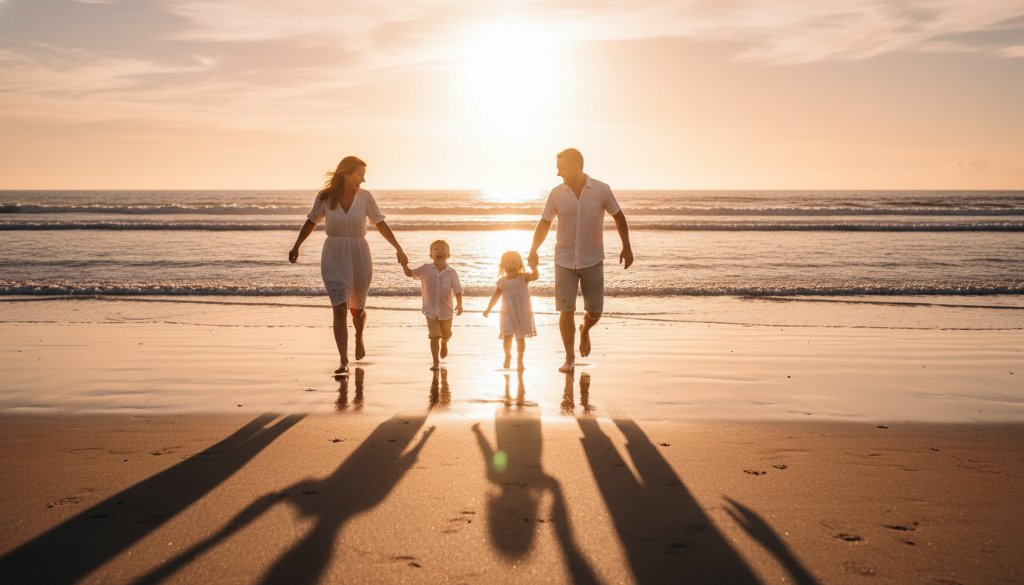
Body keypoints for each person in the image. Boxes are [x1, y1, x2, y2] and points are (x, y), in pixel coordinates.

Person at [289, 156, 408, 375]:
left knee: (357, 310)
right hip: (333, 254)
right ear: (346, 173)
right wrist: (297, 245)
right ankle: (343, 360)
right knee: (339, 308)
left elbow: (380, 223)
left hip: (359, 255)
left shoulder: (365, 198)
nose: (364, 179)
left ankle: (359, 335)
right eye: (360, 174)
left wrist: (398, 248)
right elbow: (311, 221)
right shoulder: (325, 198)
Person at [528, 148, 633, 373]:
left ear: (576, 166)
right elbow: (545, 222)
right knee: (565, 311)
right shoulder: (557, 193)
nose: (558, 173)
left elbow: (618, 216)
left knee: (595, 310)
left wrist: (626, 246)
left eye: (562, 167)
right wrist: (533, 249)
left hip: (592, 259)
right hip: (563, 260)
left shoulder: (601, 190)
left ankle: (585, 330)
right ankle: (569, 358)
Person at [402, 240, 464, 370]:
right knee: (434, 336)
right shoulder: (425, 269)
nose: (439, 251)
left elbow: (458, 290)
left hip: (446, 311)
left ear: (448, 254)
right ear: (431, 255)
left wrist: (460, 304)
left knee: (446, 334)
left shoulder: (452, 273)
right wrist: (404, 263)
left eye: (443, 249)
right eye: (436, 249)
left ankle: (445, 342)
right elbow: (409, 273)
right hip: (430, 311)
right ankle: (435, 362)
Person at [483, 251, 538, 370]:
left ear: (520, 264)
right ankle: (507, 355)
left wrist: (534, 267)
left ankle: (520, 359)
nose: (511, 265)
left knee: (520, 338)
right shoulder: (502, 282)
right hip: (506, 313)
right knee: (507, 335)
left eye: (514, 262)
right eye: (507, 262)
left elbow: (535, 276)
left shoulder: (524, 277)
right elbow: (495, 296)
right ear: (502, 265)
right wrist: (488, 309)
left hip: (521, 313)